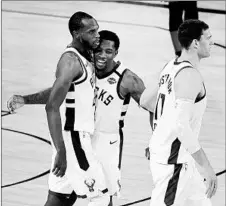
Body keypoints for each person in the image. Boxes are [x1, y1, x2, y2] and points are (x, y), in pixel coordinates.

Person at [7, 30, 151, 206]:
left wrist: (155, 141)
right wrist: (26, 99)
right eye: (99, 50)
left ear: (116, 53)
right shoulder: (84, 68)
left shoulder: (127, 79)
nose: (102, 55)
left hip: (105, 143)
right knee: (59, 196)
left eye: (108, 52)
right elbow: (58, 93)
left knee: (102, 197)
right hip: (77, 137)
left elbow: (154, 107)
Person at [7, 11, 111, 206]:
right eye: (91, 31)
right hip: (73, 141)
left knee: (59, 200)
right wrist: (62, 151)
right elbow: (52, 107)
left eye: (97, 29)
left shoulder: (85, 57)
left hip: (72, 140)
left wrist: (26, 99)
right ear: (76, 33)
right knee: (101, 198)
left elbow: (58, 93)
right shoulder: (71, 62)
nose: (97, 34)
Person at [140, 19, 217, 206]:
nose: (212, 42)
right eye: (208, 38)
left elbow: (146, 101)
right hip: (174, 164)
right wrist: (206, 167)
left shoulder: (170, 66)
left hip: (181, 159)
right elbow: (182, 126)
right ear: (196, 43)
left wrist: (160, 135)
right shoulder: (190, 75)